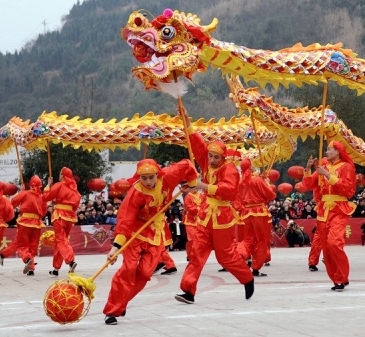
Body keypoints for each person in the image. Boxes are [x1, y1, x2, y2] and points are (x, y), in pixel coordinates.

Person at [103, 158, 198, 325]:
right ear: (139, 177)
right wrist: (115, 248)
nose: (147, 181)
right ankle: (112, 310)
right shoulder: (134, 193)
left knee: (146, 273)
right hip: (134, 233)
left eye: (151, 177)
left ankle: (122, 303)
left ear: (157, 174)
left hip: (155, 232)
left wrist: (191, 182)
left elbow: (187, 165)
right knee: (128, 269)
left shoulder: (168, 176)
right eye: (144, 178)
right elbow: (125, 221)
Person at [176, 110, 254, 305]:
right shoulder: (205, 161)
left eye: (215, 157)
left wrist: (201, 186)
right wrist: (187, 121)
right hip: (205, 216)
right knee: (197, 254)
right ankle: (188, 291)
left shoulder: (229, 170)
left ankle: (247, 278)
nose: (211, 160)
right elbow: (196, 144)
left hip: (222, 217)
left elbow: (228, 191)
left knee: (225, 258)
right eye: (210, 156)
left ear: (223, 158)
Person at [301, 141, 356, 291]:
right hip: (323, 211)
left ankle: (342, 276)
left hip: (339, 209)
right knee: (326, 246)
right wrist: (307, 169)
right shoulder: (323, 168)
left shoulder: (347, 167)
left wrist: (327, 175)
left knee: (334, 243)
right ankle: (338, 279)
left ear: (338, 151)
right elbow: (307, 185)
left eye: (329, 149)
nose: (326, 152)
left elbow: (348, 189)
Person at [235, 159, 276, 277]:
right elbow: (270, 195)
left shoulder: (240, 182)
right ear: (250, 167)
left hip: (246, 213)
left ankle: (241, 254)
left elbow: (236, 199)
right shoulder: (257, 180)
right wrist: (267, 183)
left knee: (247, 239)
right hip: (259, 213)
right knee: (261, 241)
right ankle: (256, 268)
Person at [42, 167, 81, 276]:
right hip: (70, 217)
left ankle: (70, 261)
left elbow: (45, 197)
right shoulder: (74, 189)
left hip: (60, 216)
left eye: (60, 173)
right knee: (61, 241)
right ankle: (56, 268)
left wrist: (47, 186)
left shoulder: (59, 185)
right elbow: (76, 203)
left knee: (61, 240)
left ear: (63, 175)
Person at [9, 176, 48, 275]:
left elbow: (13, 202)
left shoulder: (25, 193)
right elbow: (44, 212)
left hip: (25, 222)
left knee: (22, 245)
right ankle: (31, 268)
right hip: (36, 223)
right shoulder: (41, 196)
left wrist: (21, 192)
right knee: (33, 246)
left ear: (30, 184)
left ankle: (27, 260)